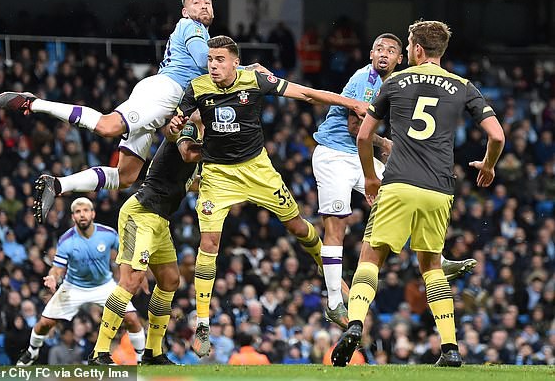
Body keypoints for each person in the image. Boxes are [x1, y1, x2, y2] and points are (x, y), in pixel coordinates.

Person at [168, 35, 368, 358]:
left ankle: (328, 274)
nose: (214, 65)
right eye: (210, 60)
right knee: (208, 243)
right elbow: (174, 127)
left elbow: (304, 93)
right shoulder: (197, 88)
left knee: (298, 226)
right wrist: (176, 126)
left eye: (220, 60)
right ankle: (202, 323)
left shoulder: (255, 79)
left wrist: (350, 103)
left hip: (258, 170)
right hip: (218, 174)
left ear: (235, 61)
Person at [0, 0, 265, 224]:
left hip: (166, 100)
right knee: (107, 126)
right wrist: (249, 71)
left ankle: (58, 184)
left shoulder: (201, 34)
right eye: (196, 1)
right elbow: (203, 61)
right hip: (165, 91)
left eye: (208, 1)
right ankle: (35, 103)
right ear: (184, 12)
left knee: (125, 176)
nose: (204, 4)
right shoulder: (192, 28)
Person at [330, 20, 505, 368]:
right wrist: (487, 165)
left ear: (418, 50)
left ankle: (353, 325)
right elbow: (497, 135)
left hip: (398, 183)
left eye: (408, 45)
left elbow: (364, 136)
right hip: (439, 189)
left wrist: (369, 177)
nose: (407, 51)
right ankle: (451, 348)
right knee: (432, 267)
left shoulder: (394, 81)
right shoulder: (463, 86)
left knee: (371, 258)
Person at [312, 33, 477, 328]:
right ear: (371, 55)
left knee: (407, 187)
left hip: (356, 155)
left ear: (401, 59)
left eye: (391, 50)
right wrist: (387, 145)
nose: (384, 54)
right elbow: (354, 127)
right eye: (378, 49)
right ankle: (335, 301)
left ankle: (437, 256)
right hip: (335, 153)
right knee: (337, 224)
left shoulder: (397, 81)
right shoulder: (367, 79)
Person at [88, 118, 202, 365]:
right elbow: (186, 152)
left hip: (159, 219)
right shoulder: (189, 128)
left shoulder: (203, 139)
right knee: (131, 281)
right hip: (140, 213)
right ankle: (99, 351)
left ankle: (152, 352)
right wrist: (222, 153)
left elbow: (186, 183)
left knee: (171, 280)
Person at [16, 197, 145, 365]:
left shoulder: (108, 234)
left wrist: (137, 273)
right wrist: (53, 277)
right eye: (78, 212)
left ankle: (143, 359)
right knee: (45, 323)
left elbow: (128, 254)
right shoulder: (66, 240)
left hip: (104, 286)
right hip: (74, 287)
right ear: (73, 217)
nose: (82, 215)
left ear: (93, 213)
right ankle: (32, 351)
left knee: (132, 319)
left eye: (85, 210)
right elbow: (57, 267)